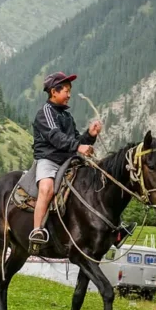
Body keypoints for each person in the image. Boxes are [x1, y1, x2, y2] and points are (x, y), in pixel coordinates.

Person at [29, 72, 101, 249]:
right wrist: (78, 147)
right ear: (54, 91)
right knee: (46, 189)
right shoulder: (45, 113)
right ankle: (37, 230)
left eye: (69, 91)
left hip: (69, 160)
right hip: (49, 160)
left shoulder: (67, 116)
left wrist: (89, 136)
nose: (69, 95)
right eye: (66, 91)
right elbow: (55, 137)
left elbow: (76, 140)